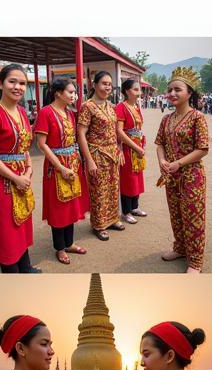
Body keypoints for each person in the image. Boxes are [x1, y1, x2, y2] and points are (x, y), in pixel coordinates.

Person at [0, 64, 37, 272]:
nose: (18, 87)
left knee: (22, 225)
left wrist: (29, 170)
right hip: (3, 183)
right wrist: (16, 178)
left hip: (22, 178)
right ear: (0, 83)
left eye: (22, 83)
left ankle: (26, 268)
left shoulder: (22, 112)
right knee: (7, 231)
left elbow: (24, 148)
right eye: (12, 81)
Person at [154, 68, 209, 272]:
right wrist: (162, 161)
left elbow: (202, 148)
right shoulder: (166, 119)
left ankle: (195, 261)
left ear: (189, 92)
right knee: (176, 214)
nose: (172, 94)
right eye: (169, 90)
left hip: (192, 176)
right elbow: (159, 143)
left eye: (177, 89)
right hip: (171, 175)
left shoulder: (197, 117)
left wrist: (179, 163)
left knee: (193, 217)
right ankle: (180, 247)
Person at [33, 76, 90, 265]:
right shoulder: (46, 113)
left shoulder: (70, 113)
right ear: (58, 93)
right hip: (56, 168)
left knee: (71, 205)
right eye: (71, 92)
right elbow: (42, 145)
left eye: (75, 92)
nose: (74, 95)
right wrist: (60, 166)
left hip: (73, 164)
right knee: (59, 208)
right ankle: (60, 248)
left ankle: (69, 243)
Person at [77, 71, 125, 243]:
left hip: (112, 155)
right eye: (104, 83)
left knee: (112, 189)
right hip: (96, 155)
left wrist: (118, 150)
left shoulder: (111, 107)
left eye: (109, 84)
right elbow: (81, 134)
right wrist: (88, 159)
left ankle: (112, 219)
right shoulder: (87, 106)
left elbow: (115, 131)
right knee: (98, 191)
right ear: (94, 85)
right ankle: (99, 225)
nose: (107, 87)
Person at [115, 79, 147, 225]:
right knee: (128, 180)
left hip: (138, 146)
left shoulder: (136, 107)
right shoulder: (121, 107)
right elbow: (119, 131)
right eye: (135, 89)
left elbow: (139, 128)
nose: (138, 92)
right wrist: (135, 146)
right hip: (127, 148)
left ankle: (134, 207)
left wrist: (141, 144)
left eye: (139, 89)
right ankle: (126, 211)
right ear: (127, 91)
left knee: (137, 177)